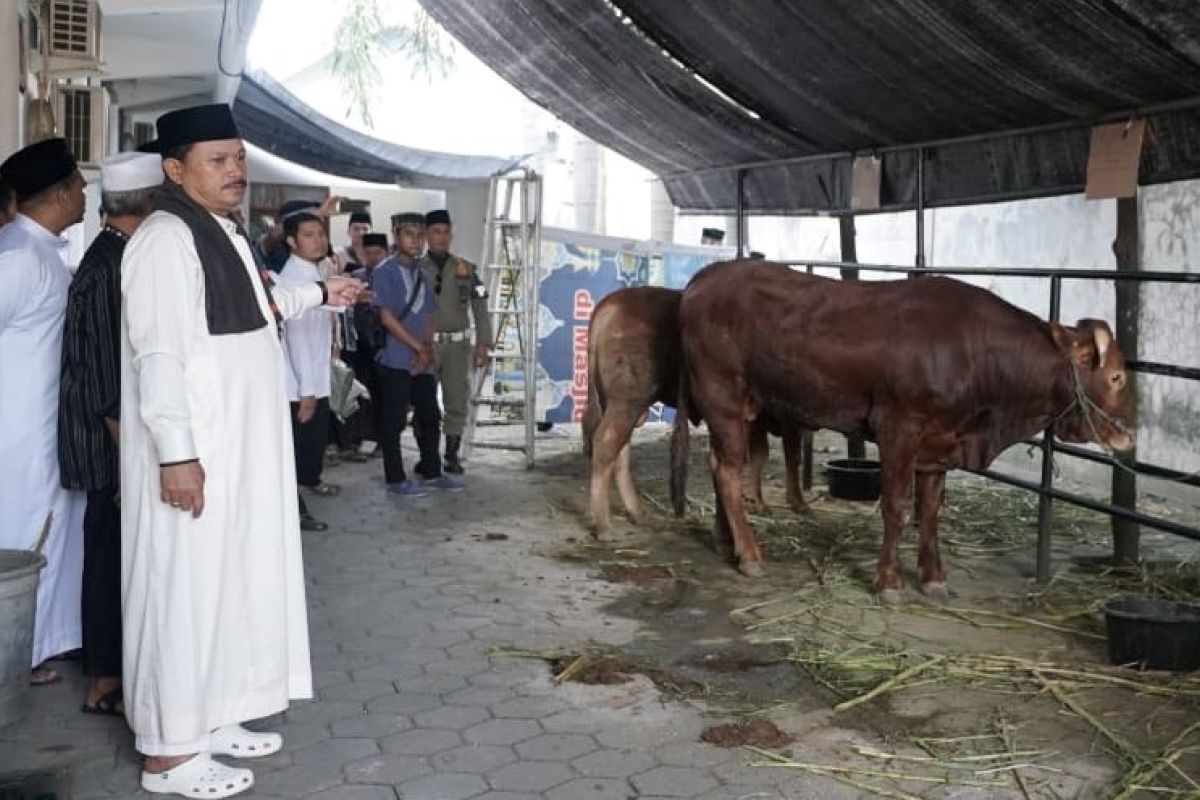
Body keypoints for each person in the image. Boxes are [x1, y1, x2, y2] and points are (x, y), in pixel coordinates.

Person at [119, 103, 362, 797]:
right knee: (182, 594)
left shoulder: (219, 232)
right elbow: (158, 353)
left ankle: (212, 717)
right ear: (175, 170)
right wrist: (175, 453)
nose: (236, 170)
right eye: (217, 160)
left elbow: (253, 313)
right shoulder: (166, 239)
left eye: (238, 156)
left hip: (235, 453)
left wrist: (319, 293)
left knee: (226, 587)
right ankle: (168, 755)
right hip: (195, 451)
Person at [58, 151, 162, 717]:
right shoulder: (110, 267)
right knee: (107, 556)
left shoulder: (121, 256)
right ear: (150, 204)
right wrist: (126, 453)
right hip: (109, 444)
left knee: (113, 553)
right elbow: (104, 374)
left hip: (117, 438)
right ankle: (103, 678)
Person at [0, 138, 88, 688]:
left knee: (49, 529)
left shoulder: (43, 252)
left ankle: (33, 646)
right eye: (78, 185)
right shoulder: (16, 257)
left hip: (43, 422)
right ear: (59, 193)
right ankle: (14, 651)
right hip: (16, 429)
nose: (83, 194)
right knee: (20, 530)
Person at [373, 213, 462, 495]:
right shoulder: (384, 272)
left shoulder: (422, 275)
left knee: (430, 416)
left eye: (420, 235)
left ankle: (432, 471)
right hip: (396, 358)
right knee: (395, 420)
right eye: (409, 234)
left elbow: (428, 317)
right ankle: (395, 478)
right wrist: (417, 348)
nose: (416, 240)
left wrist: (427, 350)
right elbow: (387, 318)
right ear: (396, 236)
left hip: (422, 360)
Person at [420, 209, 492, 475]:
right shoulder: (416, 268)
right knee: (425, 402)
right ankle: (428, 455)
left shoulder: (467, 269)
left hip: (458, 347)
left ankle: (451, 455)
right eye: (436, 232)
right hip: (426, 346)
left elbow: (481, 303)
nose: (441, 237)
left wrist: (484, 342)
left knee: (456, 400)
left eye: (446, 232)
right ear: (427, 235)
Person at [279, 207, 341, 499]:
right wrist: (306, 391)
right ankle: (295, 499)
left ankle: (309, 481)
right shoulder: (292, 278)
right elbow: (297, 339)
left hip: (315, 374)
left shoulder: (315, 272)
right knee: (300, 440)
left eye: (321, 234)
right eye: (308, 235)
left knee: (314, 438)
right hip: (301, 381)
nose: (318, 240)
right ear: (292, 242)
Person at [343, 231, 390, 456]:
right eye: (368, 252)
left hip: (387, 343)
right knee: (362, 392)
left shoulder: (394, 277)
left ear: (386, 252)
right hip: (359, 345)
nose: (372, 257)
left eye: (377, 253)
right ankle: (361, 435)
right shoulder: (356, 277)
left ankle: (380, 438)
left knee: (384, 394)